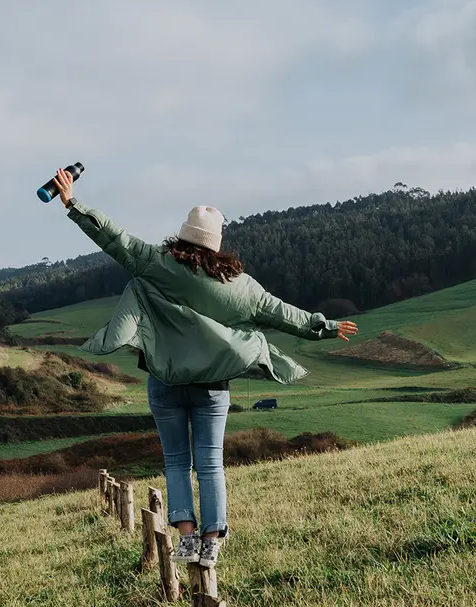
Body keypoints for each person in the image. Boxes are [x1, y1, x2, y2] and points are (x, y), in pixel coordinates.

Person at [49, 168, 358, 568]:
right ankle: (212, 542)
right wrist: (327, 327)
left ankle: (187, 539)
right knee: (210, 463)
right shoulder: (242, 287)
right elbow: (287, 316)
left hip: (165, 381)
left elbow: (113, 237)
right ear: (217, 244)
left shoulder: (157, 264)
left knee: (177, 462)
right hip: (213, 386)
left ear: (183, 235)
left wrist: (73, 203)